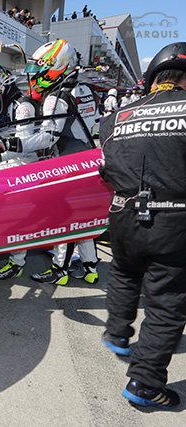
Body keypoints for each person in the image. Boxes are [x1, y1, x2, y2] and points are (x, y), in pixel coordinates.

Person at [99, 42, 186, 409]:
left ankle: (118, 333)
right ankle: (144, 384)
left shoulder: (114, 117)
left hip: (121, 216)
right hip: (172, 220)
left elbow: (105, 169)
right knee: (167, 304)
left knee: (123, 271)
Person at [0, 40, 100, 284]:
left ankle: (60, 271)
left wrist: (11, 145)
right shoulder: (87, 90)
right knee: (81, 221)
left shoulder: (55, 97)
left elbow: (49, 137)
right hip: (89, 161)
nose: (34, 79)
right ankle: (91, 269)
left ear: (56, 68)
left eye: (39, 73)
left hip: (66, 166)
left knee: (64, 222)